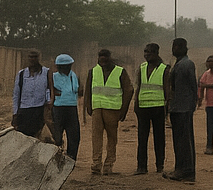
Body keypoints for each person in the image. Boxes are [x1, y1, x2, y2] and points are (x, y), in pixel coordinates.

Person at [82, 47, 133, 175]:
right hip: (97, 109)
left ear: (110, 58)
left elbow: (129, 90)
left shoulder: (120, 71)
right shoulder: (93, 72)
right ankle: (96, 164)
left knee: (112, 138)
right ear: (98, 58)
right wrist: (89, 106)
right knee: (96, 137)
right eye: (100, 57)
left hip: (113, 110)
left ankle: (108, 165)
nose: (103, 59)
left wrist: (123, 110)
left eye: (105, 57)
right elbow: (87, 90)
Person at [133, 42, 168, 175]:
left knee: (159, 138)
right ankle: (141, 166)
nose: (146, 54)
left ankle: (160, 165)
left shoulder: (164, 68)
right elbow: (139, 86)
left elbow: (166, 88)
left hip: (158, 107)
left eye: (149, 52)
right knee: (142, 138)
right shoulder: (141, 67)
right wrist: (136, 103)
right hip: (143, 107)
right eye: (145, 51)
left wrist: (167, 106)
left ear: (156, 53)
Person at [166, 38, 198, 182]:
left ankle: (187, 171)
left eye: (177, 46)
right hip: (177, 107)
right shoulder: (178, 64)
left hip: (183, 108)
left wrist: (191, 104)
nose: (174, 49)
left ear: (184, 48)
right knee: (178, 140)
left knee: (184, 141)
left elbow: (193, 86)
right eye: (174, 46)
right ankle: (180, 169)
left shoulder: (187, 64)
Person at [11, 49, 54, 140]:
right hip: (24, 111)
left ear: (39, 58)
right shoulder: (21, 74)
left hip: (39, 111)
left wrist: (49, 103)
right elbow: (16, 95)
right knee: (23, 139)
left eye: (35, 57)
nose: (32, 59)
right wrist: (15, 114)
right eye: (30, 57)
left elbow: (50, 89)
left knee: (39, 139)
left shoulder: (46, 72)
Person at [48, 53, 81, 160]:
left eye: (67, 66)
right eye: (62, 66)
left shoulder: (74, 76)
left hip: (72, 108)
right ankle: (55, 157)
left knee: (74, 135)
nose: (65, 68)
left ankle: (71, 158)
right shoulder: (53, 77)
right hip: (58, 109)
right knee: (57, 135)